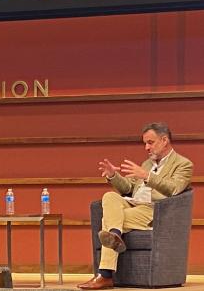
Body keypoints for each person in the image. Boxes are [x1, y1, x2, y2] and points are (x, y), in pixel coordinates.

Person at [77, 122, 193, 290]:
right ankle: (115, 234)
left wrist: (147, 176)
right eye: (145, 143)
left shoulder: (183, 164)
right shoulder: (147, 164)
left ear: (165, 140)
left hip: (154, 209)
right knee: (109, 196)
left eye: (150, 142)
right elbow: (128, 188)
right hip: (132, 204)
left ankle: (105, 274)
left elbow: (174, 189)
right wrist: (113, 175)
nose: (146, 147)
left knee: (109, 221)